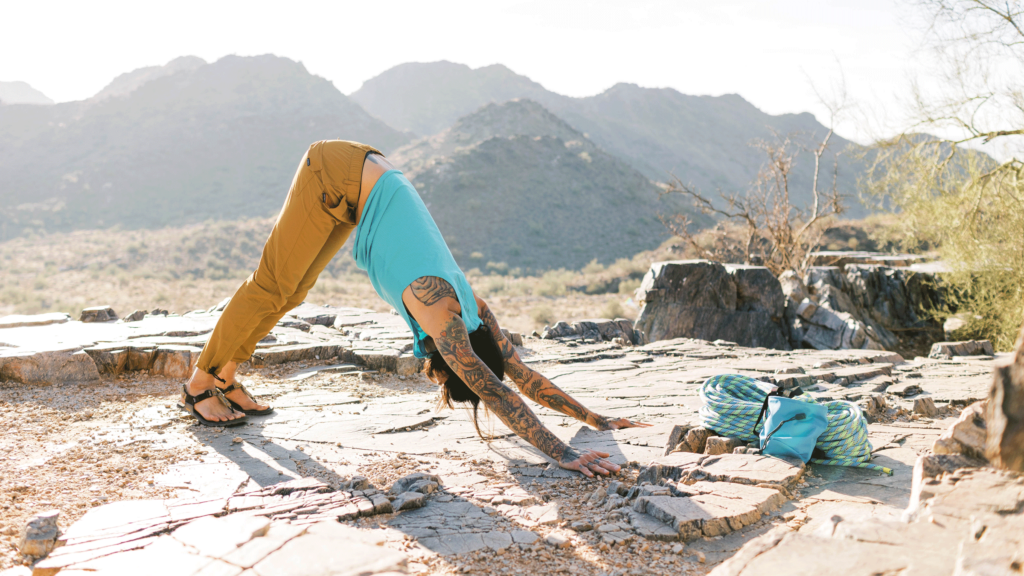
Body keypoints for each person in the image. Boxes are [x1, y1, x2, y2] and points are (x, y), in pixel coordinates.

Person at [182, 140, 649, 477]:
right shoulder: (442, 314)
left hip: (365, 185)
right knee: (271, 285)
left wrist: (595, 420)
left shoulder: (476, 312)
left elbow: (518, 372)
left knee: (291, 291)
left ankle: (227, 374)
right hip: (337, 172)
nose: (438, 375)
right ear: (457, 359)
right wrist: (564, 454)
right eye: (447, 375)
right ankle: (201, 382)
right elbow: (498, 391)